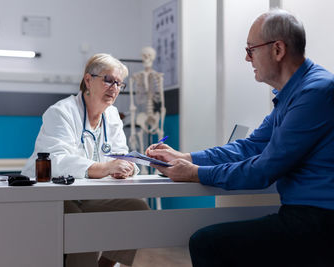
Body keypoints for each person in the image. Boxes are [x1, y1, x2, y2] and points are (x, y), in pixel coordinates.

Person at [146, 9, 334, 267]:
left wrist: (195, 172)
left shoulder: (315, 92)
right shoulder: (292, 93)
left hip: (321, 222)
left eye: (251, 49)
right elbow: (249, 146)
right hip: (306, 215)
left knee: (207, 243)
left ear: (278, 50)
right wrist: (185, 157)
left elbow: (264, 169)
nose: (247, 58)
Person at [22, 53, 149, 267]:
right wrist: (103, 168)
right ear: (88, 80)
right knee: (84, 227)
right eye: (108, 80)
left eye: (119, 83)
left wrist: (127, 168)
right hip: (52, 193)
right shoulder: (61, 112)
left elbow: (120, 153)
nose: (114, 88)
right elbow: (57, 160)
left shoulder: (112, 116)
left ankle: (105, 265)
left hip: (89, 192)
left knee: (137, 209)